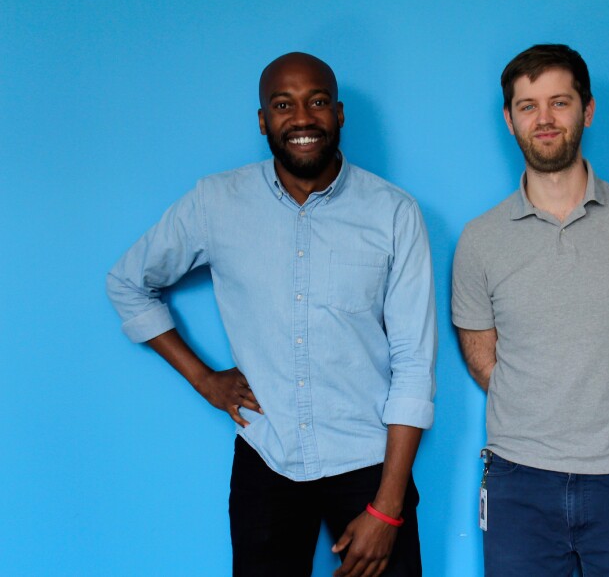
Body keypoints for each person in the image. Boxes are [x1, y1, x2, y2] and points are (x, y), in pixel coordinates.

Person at [106, 52, 436, 577]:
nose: (302, 118)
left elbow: (413, 363)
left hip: (370, 463)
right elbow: (128, 282)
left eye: (317, 102)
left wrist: (387, 507)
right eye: (283, 105)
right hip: (267, 458)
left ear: (339, 114)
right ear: (263, 120)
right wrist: (204, 379)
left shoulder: (394, 212)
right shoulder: (216, 202)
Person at [452, 44, 609, 576]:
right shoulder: (480, 240)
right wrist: (548, 414)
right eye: (528, 106)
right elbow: (482, 359)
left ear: (587, 111)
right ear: (510, 120)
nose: (544, 119)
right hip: (519, 483)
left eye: (559, 102)